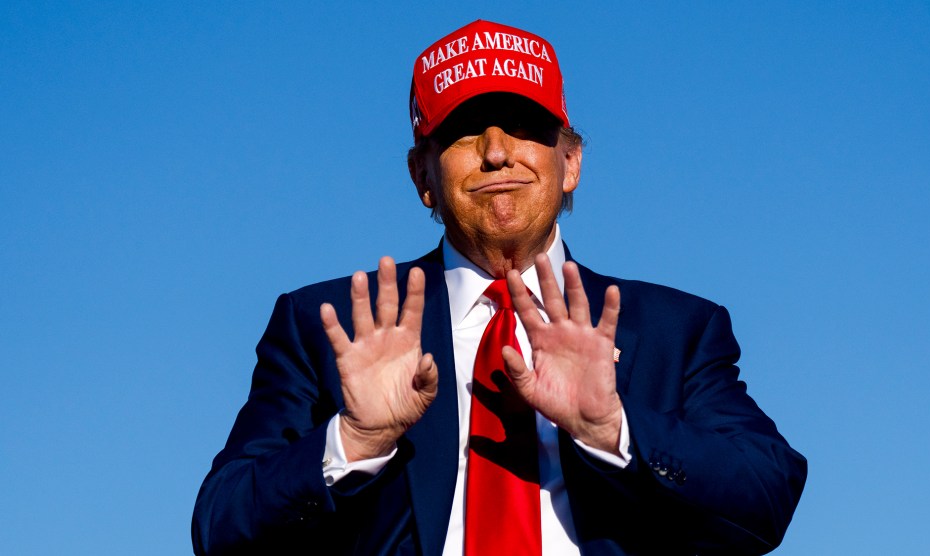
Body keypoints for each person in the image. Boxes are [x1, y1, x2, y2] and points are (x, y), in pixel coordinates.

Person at [192, 19, 807, 556]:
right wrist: (355, 441)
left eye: (522, 124)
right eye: (463, 131)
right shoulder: (326, 326)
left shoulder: (679, 330)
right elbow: (219, 527)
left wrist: (613, 428)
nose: (495, 152)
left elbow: (767, 495)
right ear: (421, 176)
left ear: (570, 163)